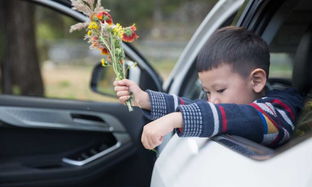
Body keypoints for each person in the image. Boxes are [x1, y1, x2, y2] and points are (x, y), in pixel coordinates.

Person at [114, 26, 303, 150]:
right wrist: (146, 99)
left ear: (256, 80)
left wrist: (177, 119)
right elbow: (200, 106)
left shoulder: (280, 109)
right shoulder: (223, 106)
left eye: (220, 90)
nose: (212, 100)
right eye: (207, 92)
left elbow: (248, 118)